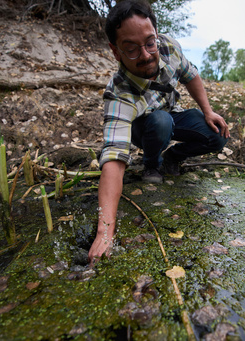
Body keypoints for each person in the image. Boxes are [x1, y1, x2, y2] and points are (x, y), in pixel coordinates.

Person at [88, 0, 230, 264]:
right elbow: (114, 159)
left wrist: (208, 111)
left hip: (171, 117)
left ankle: (173, 157)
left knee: (216, 134)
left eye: (149, 43)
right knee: (160, 121)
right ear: (115, 51)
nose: (145, 55)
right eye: (131, 49)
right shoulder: (118, 93)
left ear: (155, 35)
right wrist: (105, 231)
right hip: (144, 129)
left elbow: (191, 76)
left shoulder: (168, 47)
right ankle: (151, 164)